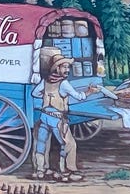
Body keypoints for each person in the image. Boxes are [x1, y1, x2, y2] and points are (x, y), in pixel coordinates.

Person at [31, 52, 99, 181]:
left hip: (45, 117)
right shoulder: (63, 84)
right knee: (68, 144)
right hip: (57, 119)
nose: (67, 70)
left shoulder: (46, 81)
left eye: (68, 67)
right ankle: (66, 172)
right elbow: (79, 97)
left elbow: (35, 93)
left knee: (42, 143)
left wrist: (47, 97)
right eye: (64, 67)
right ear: (57, 68)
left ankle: (40, 170)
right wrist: (89, 92)